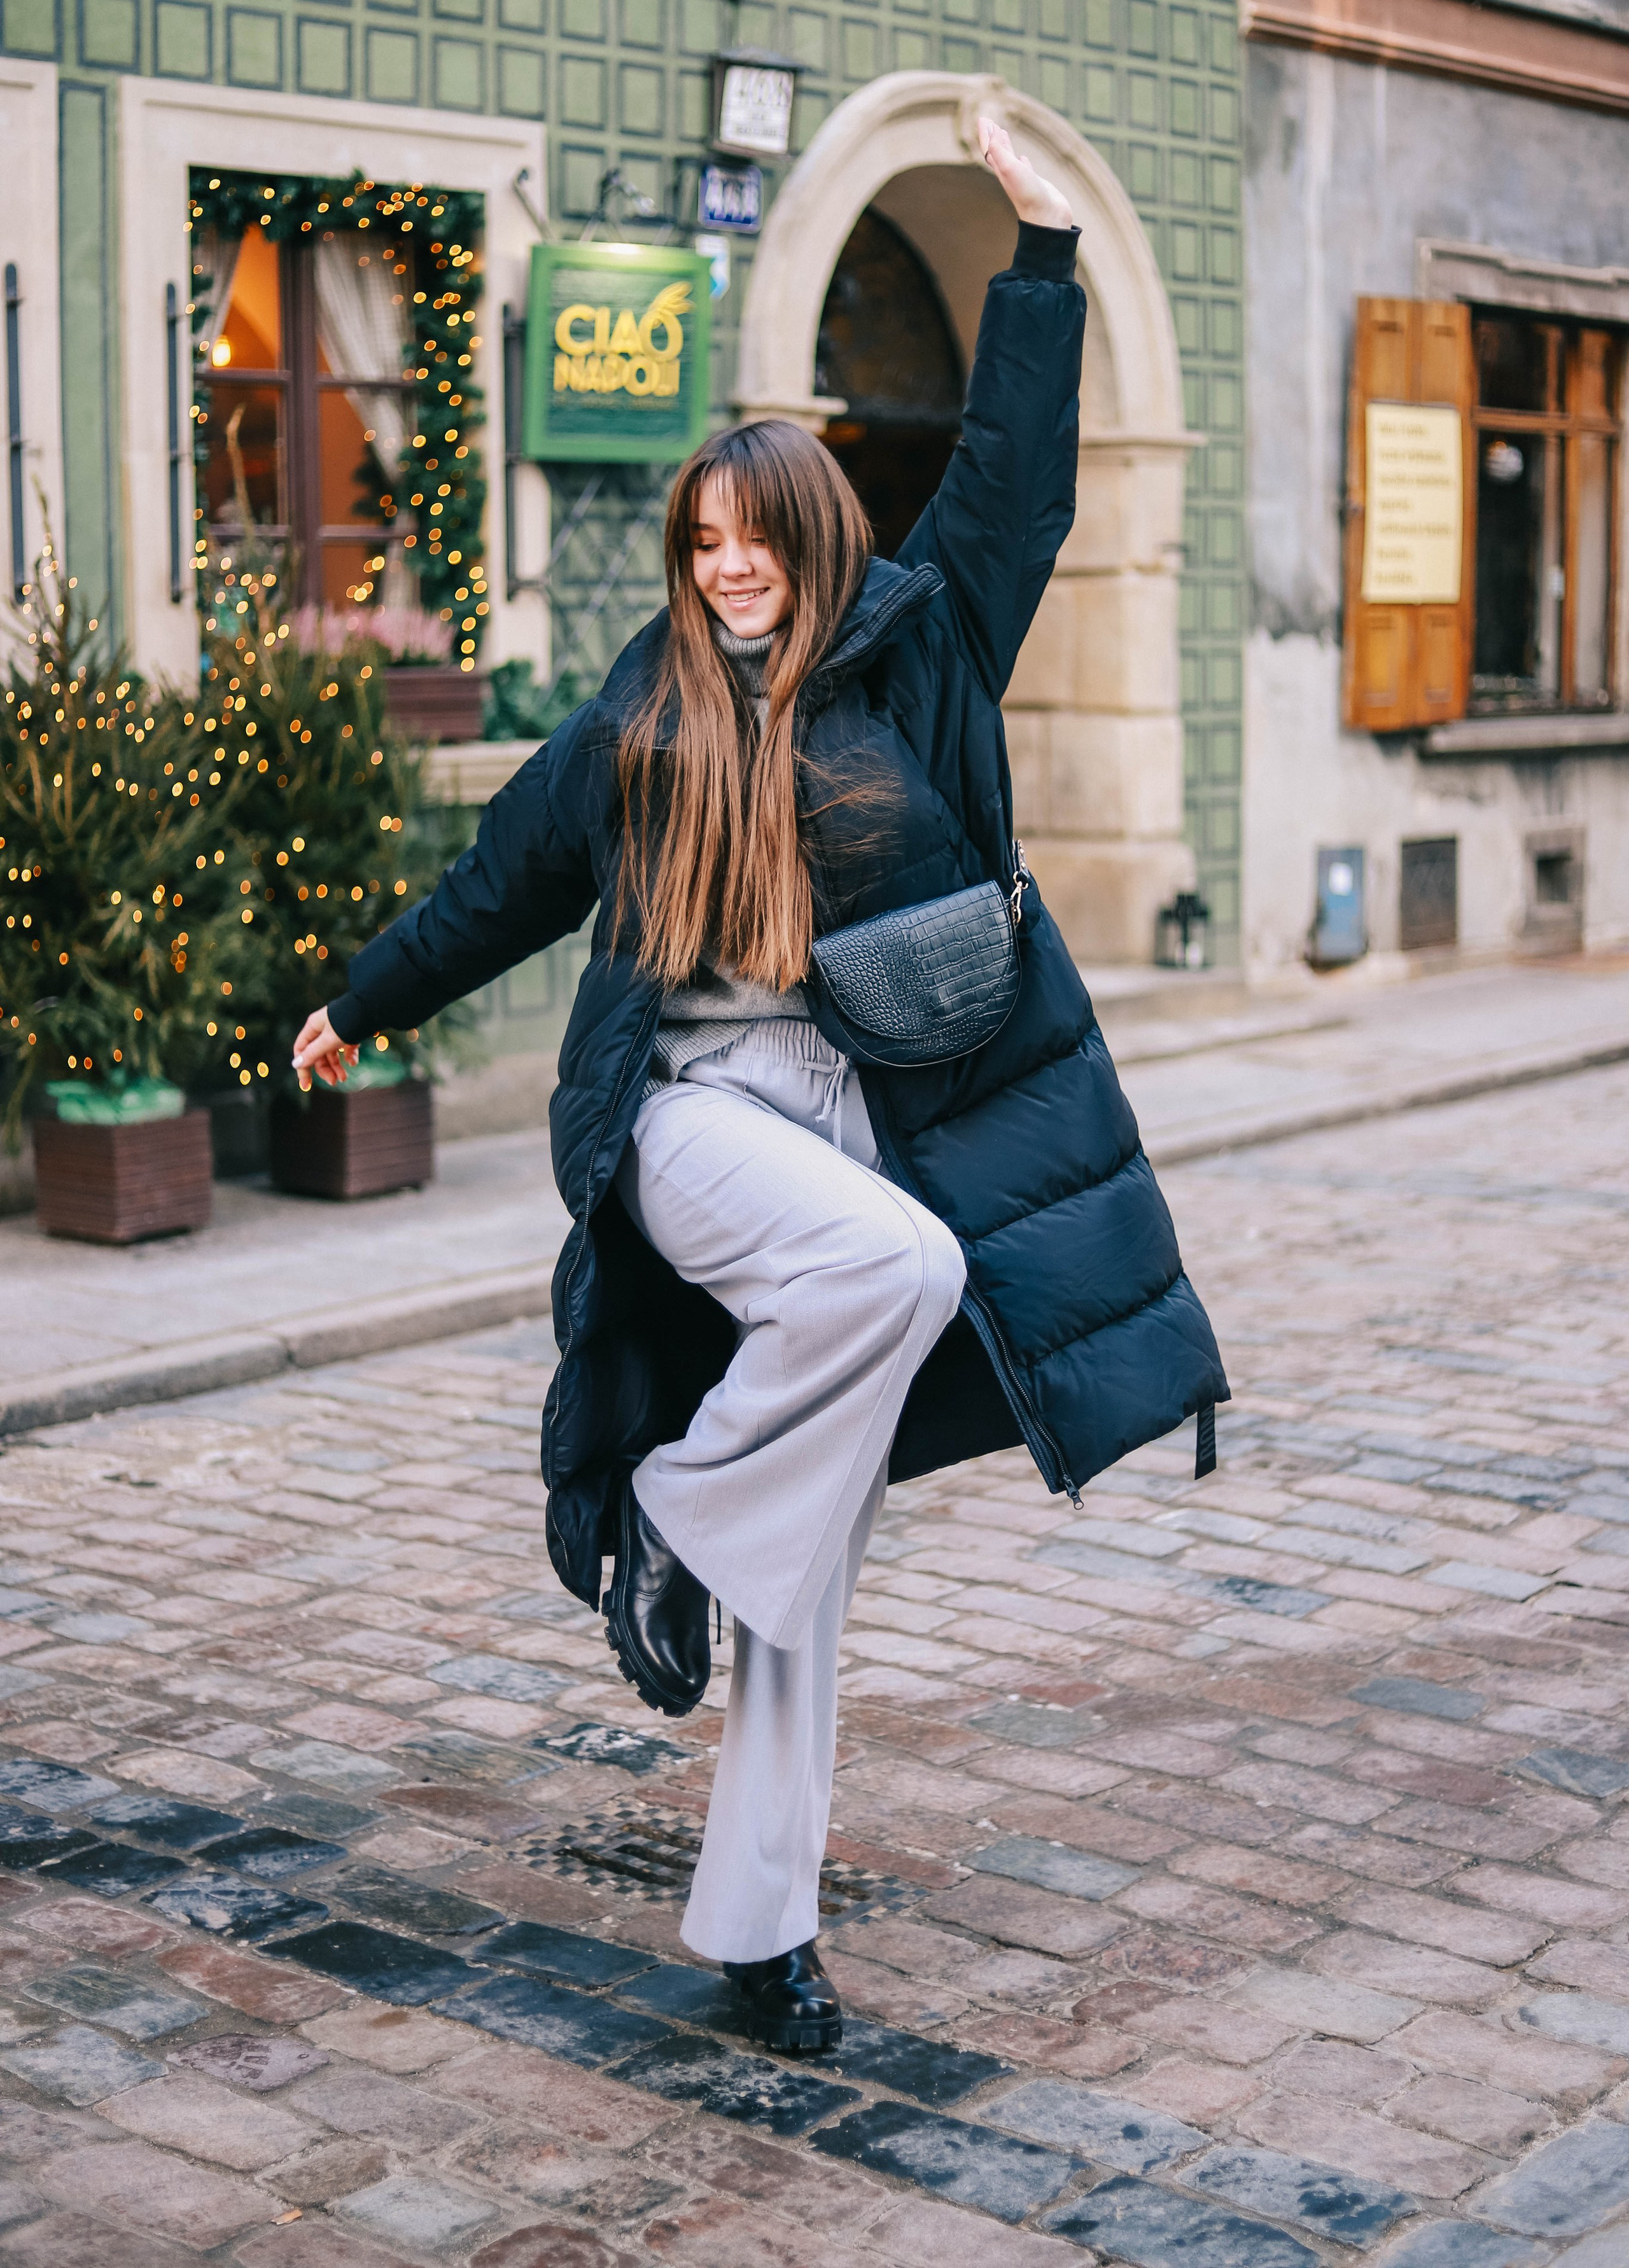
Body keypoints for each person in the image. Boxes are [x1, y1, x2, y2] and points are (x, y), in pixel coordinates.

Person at [293, 120, 1227, 2057]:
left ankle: (759, 1931)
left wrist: (1042, 243)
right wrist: (359, 1003)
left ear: (814, 538)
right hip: (693, 1118)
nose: (724, 572)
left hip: (856, 1107)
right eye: (699, 548)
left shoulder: (927, 646)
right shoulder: (643, 710)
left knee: (812, 1575)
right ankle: (677, 1509)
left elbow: (1020, 483)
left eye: (751, 543)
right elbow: (501, 889)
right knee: (897, 1277)